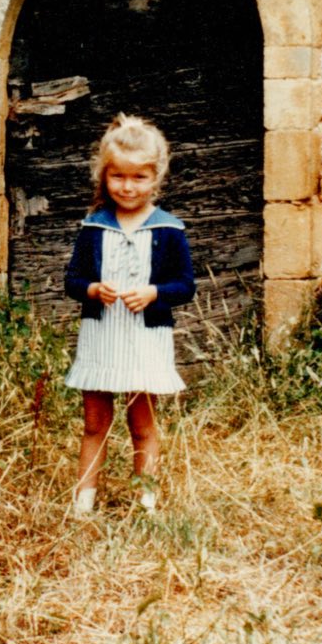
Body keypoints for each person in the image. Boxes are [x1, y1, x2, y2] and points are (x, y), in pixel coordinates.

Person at [64, 113, 195, 516]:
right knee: (94, 423)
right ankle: (84, 501)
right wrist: (91, 289)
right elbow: (72, 280)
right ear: (104, 177)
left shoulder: (169, 230)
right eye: (118, 177)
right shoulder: (93, 227)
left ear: (156, 178)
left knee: (142, 424)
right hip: (102, 336)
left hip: (144, 337)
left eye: (139, 178)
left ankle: (146, 500)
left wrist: (155, 292)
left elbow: (185, 286)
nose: (127, 186)